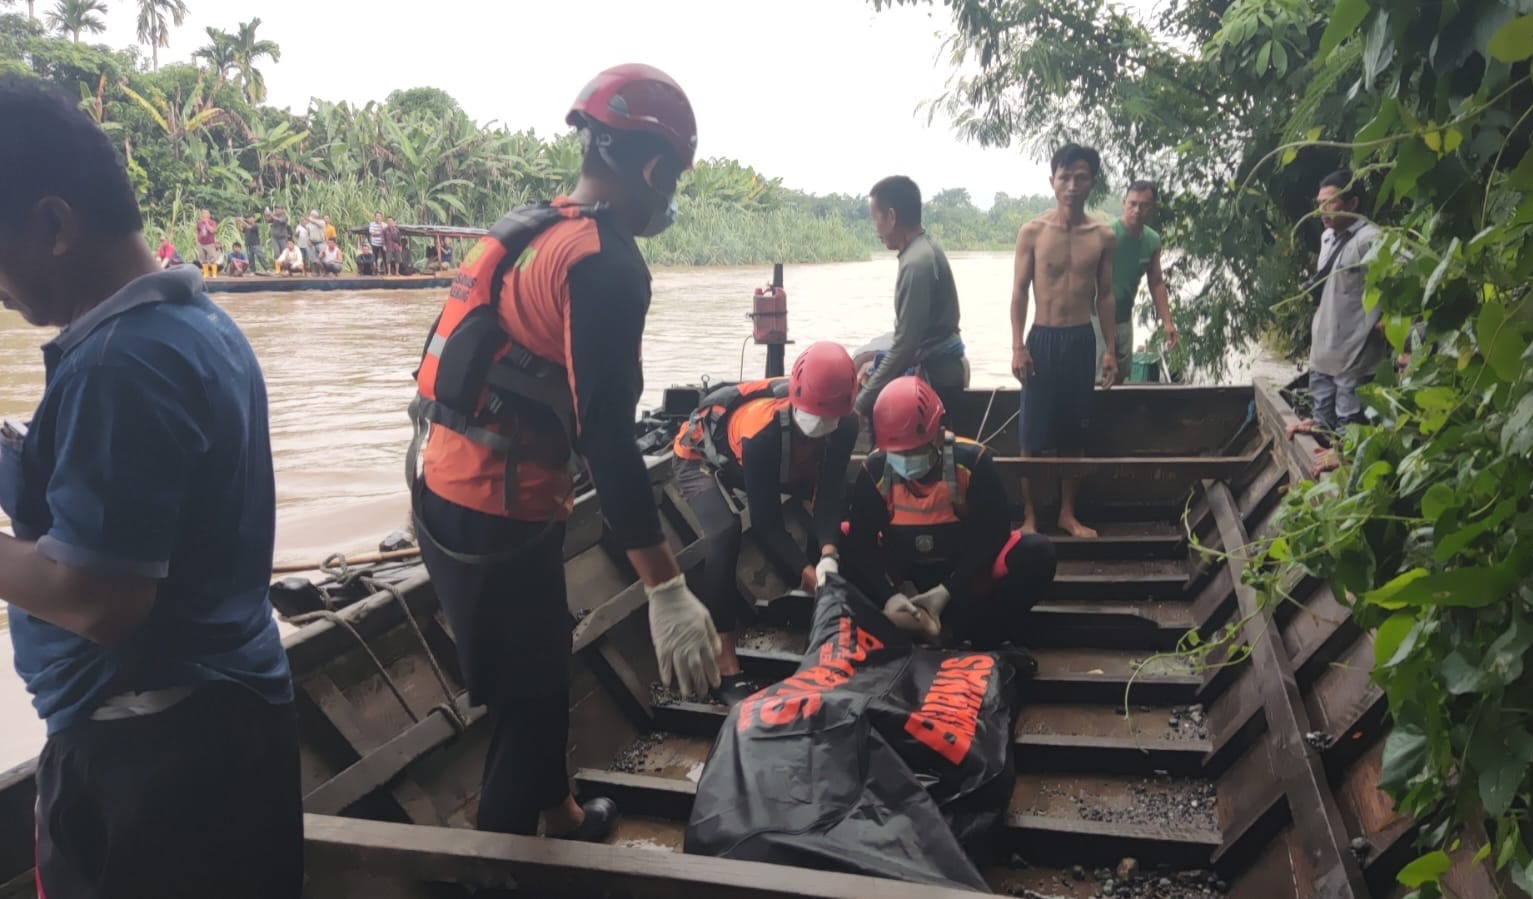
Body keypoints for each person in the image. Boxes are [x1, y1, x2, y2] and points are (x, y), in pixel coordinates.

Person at [0, 75, 301, 899]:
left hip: (152, 766)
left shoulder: (120, 364)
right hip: (228, 730)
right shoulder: (189, 323)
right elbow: (137, 487)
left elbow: (99, 598)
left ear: (54, 225)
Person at [408, 63, 715, 844]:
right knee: (531, 697)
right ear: (650, 167)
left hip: (447, 481)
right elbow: (607, 435)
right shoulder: (605, 265)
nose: (669, 194)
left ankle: (561, 813)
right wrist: (666, 587)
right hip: (492, 506)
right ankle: (498, 868)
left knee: (539, 655)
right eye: (672, 176)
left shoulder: (538, 225)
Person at [671, 341, 859, 704]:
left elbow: (829, 493)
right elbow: (767, 523)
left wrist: (829, 558)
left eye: (828, 424)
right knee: (725, 533)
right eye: (812, 423)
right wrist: (808, 570)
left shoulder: (846, 423)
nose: (820, 429)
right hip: (703, 456)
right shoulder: (763, 431)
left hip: (778, 461)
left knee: (843, 508)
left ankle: (816, 619)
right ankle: (725, 664)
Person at [840, 376, 1054, 648]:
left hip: (962, 579)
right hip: (903, 582)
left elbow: (995, 534)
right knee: (835, 545)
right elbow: (861, 541)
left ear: (939, 435)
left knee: (1036, 552)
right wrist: (889, 594)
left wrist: (948, 591)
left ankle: (964, 632)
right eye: (897, 453)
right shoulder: (874, 471)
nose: (905, 461)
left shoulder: (972, 463)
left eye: (914, 450)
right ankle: (906, 624)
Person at [1010, 144, 1118, 538]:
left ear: (1092, 182)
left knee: (1074, 433)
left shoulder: (1103, 235)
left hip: (1079, 340)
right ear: (1052, 181)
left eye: (1081, 177)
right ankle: (1030, 516)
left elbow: (1105, 296)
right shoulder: (1034, 232)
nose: (1072, 185)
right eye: (1065, 177)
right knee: (1031, 437)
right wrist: (1018, 345)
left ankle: (1067, 514)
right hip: (1042, 340)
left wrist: (1110, 350)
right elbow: (1020, 291)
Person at [855, 175, 967, 429]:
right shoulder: (921, 250)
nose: (875, 229)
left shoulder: (917, 263)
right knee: (861, 358)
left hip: (938, 376)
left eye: (876, 219)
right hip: (941, 363)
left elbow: (905, 347)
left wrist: (862, 402)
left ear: (892, 217)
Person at [1300, 169, 1383, 434]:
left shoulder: (1372, 240)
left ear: (1353, 204)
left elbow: (1405, 280)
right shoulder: (1327, 238)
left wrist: (1388, 321)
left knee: (1348, 432)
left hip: (1354, 356)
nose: (1322, 210)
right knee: (1320, 429)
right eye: (1319, 204)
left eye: (1330, 203)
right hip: (1322, 353)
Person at [1101, 180, 1177, 382]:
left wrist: (1167, 322)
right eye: (1132, 203)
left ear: (1153, 208)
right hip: (1096, 319)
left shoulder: (1152, 240)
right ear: (1123, 202)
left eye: (1144, 205)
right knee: (1100, 376)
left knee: (1120, 377)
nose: (1137, 210)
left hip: (1124, 318)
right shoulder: (1106, 234)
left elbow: (1157, 282)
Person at [194, 208, 220, 278]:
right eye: (203, 213)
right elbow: (197, 232)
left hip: (210, 243)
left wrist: (206, 222)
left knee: (212, 258)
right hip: (201, 243)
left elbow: (212, 231)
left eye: (206, 213)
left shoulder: (212, 222)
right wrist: (196, 241)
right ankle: (206, 273)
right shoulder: (199, 223)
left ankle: (214, 273)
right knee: (203, 259)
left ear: (209, 215)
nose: (204, 214)